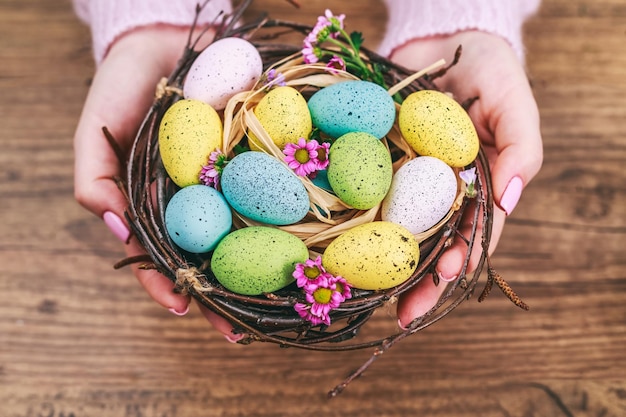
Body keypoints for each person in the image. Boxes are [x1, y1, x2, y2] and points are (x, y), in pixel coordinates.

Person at [72, 0, 543, 341]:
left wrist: (460, 14)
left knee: (364, 140)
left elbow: (364, 140)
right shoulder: (259, 151)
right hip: (268, 142)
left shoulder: (332, 155)